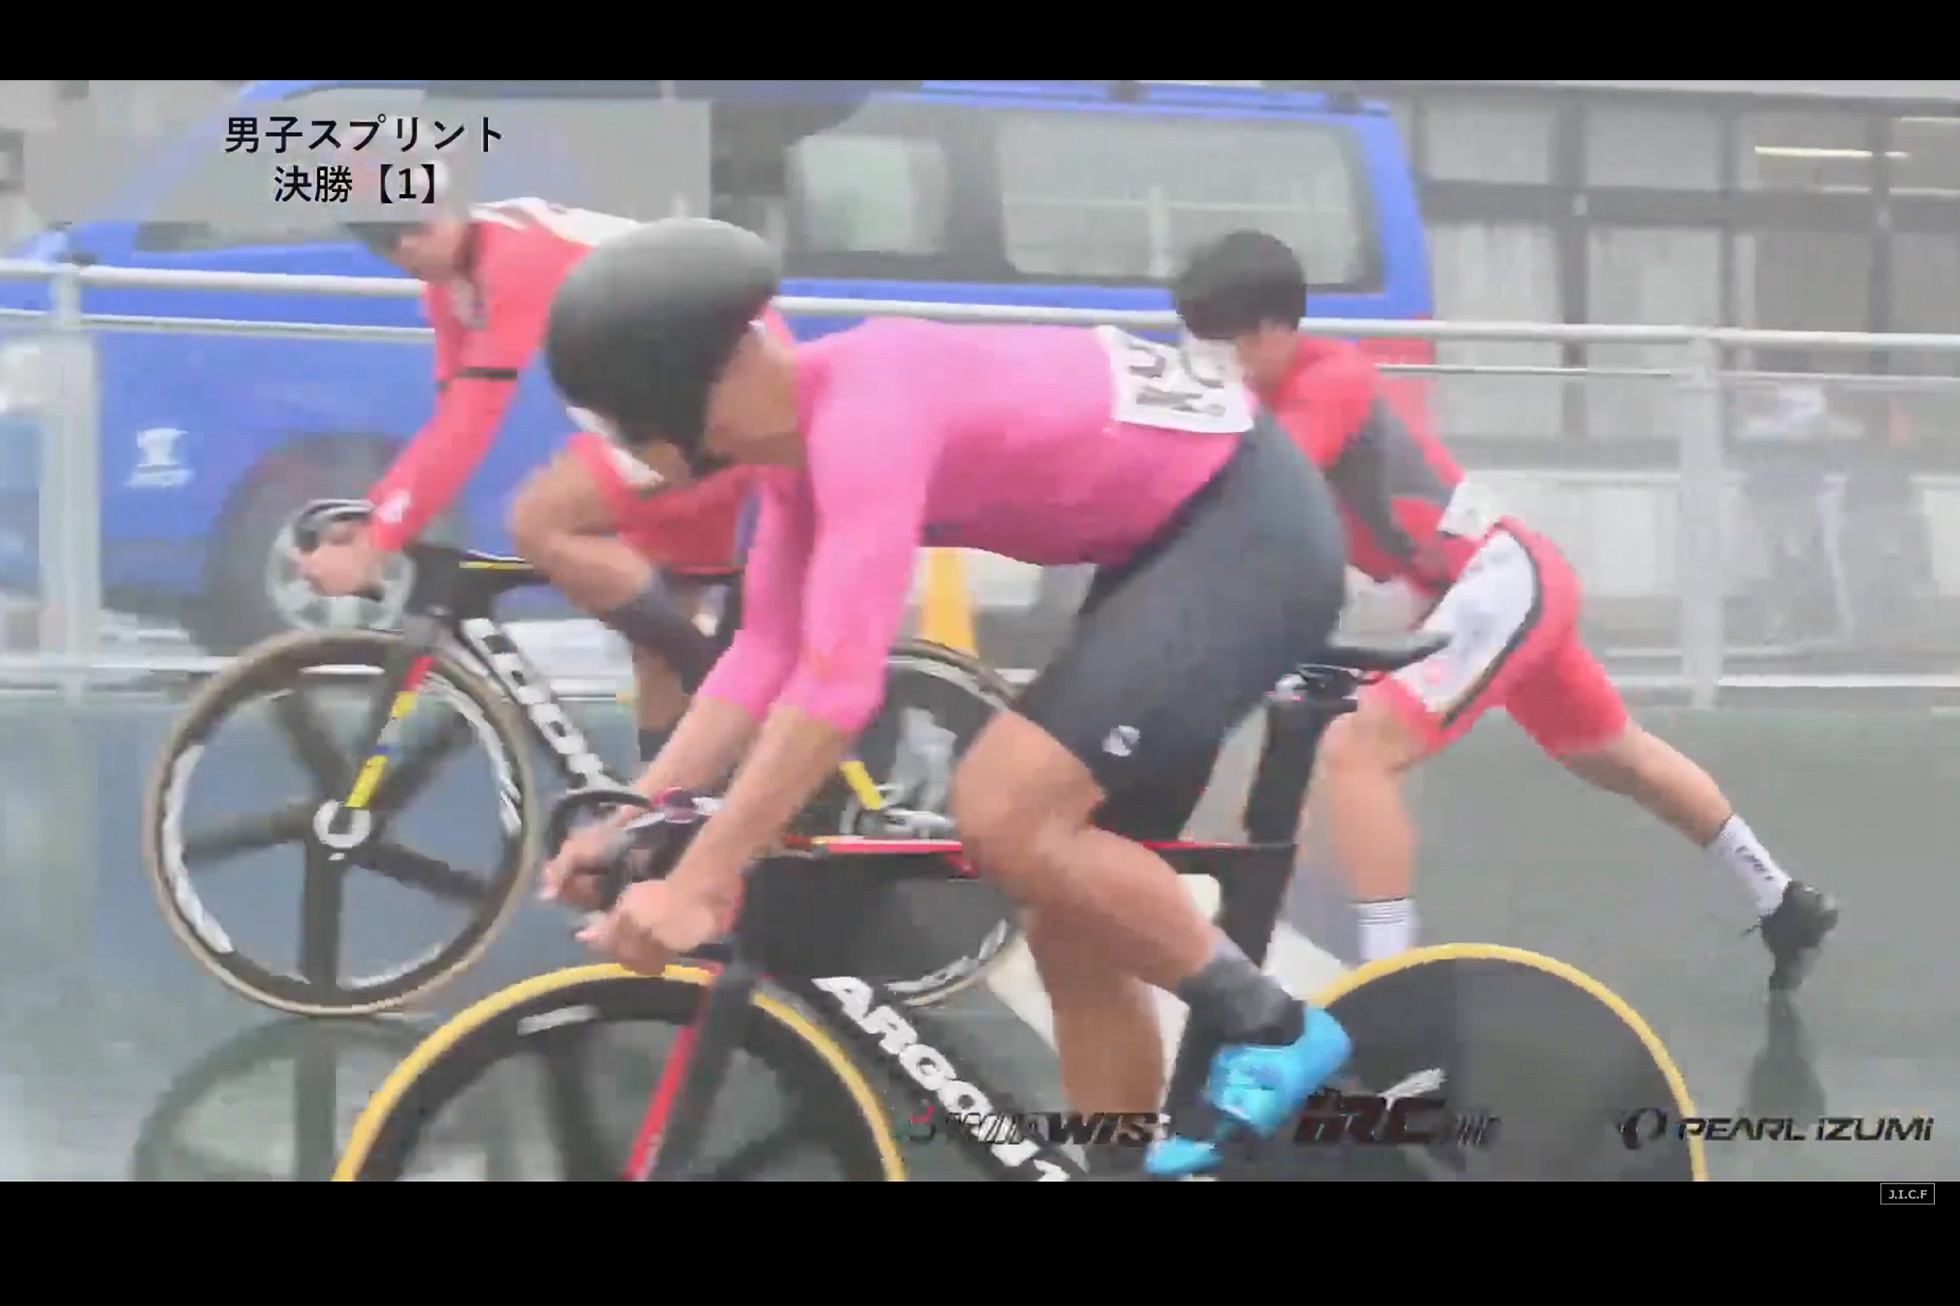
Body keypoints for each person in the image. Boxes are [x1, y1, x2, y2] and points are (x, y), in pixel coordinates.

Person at [536, 216, 1356, 1178]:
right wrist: (642, 815)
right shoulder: (803, 442)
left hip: (1247, 532)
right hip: (1177, 539)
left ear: (670, 400)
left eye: (616, 429)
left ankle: (1275, 1025)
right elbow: (762, 656)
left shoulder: (865, 417)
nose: (626, 457)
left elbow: (838, 686)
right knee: (1069, 916)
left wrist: (703, 877)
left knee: (1004, 808)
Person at [1169, 230, 1839, 982]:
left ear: (1272, 328)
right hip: (1465, 589)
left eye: (1216, 342)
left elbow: (1253, 489)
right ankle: (1783, 901)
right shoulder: (1257, 395)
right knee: (1616, 756)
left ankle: (1392, 974)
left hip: (1496, 579)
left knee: (1356, 752)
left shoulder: (1330, 378)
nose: (1204, 360)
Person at [300, 161, 786, 762]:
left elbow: (472, 421)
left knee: (539, 519)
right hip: (677, 407)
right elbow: (449, 421)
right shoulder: (453, 289)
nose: (406, 247)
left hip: (724, 397)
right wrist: (377, 516)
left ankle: (729, 695)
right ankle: (662, 829)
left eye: (415, 224)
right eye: (383, 236)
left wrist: (379, 542)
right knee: (657, 655)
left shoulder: (514, 258)